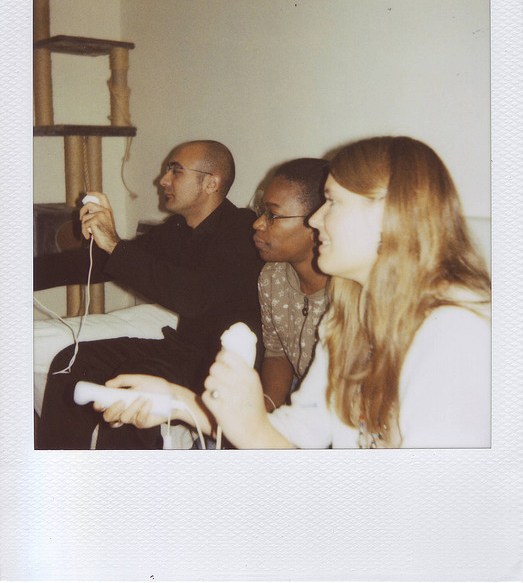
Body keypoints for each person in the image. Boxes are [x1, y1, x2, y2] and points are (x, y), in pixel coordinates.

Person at [98, 136, 490, 450]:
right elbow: (292, 434)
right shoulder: (348, 318)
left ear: (388, 216)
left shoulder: (455, 332)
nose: (316, 219)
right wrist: (180, 403)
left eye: (332, 202)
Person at [36, 140, 263, 449]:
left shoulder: (243, 230)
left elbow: (193, 298)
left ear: (211, 182)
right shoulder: (178, 229)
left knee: (134, 385)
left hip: (221, 365)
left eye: (176, 171)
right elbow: (109, 262)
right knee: (72, 362)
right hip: (182, 350)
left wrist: (114, 244)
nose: (163, 180)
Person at [252, 158, 329, 411]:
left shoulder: (350, 289)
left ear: (317, 224)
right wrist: (264, 413)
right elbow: (277, 353)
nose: (258, 223)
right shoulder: (272, 276)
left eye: (272, 215)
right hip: (297, 398)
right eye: (261, 211)